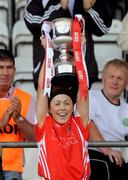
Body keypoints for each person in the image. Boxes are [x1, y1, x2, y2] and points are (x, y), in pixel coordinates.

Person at [34, 35, 90, 179]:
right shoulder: (44, 125)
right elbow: (42, 88)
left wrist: (79, 52)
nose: (62, 108)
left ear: (73, 107)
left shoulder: (80, 124)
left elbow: (83, 88)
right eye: (57, 104)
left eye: (67, 103)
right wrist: (48, 52)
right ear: (49, 108)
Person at [23, 0, 113, 90]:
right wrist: (59, 7)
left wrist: (89, 10)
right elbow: (31, 21)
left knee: (81, 103)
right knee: (48, 103)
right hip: (48, 69)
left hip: (81, 68)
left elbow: (104, 28)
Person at [89, 59, 128, 180]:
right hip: (93, 154)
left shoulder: (126, 107)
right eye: (111, 76)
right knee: (104, 167)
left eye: (120, 78)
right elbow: (87, 124)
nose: (115, 82)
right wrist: (106, 149)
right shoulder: (91, 97)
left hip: (116, 159)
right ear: (103, 78)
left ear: (126, 84)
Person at [0, 49, 35, 180]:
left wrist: (18, 118)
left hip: (13, 169)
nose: (5, 73)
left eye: (9, 67)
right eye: (1, 67)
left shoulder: (25, 98)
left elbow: (34, 138)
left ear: (14, 71)